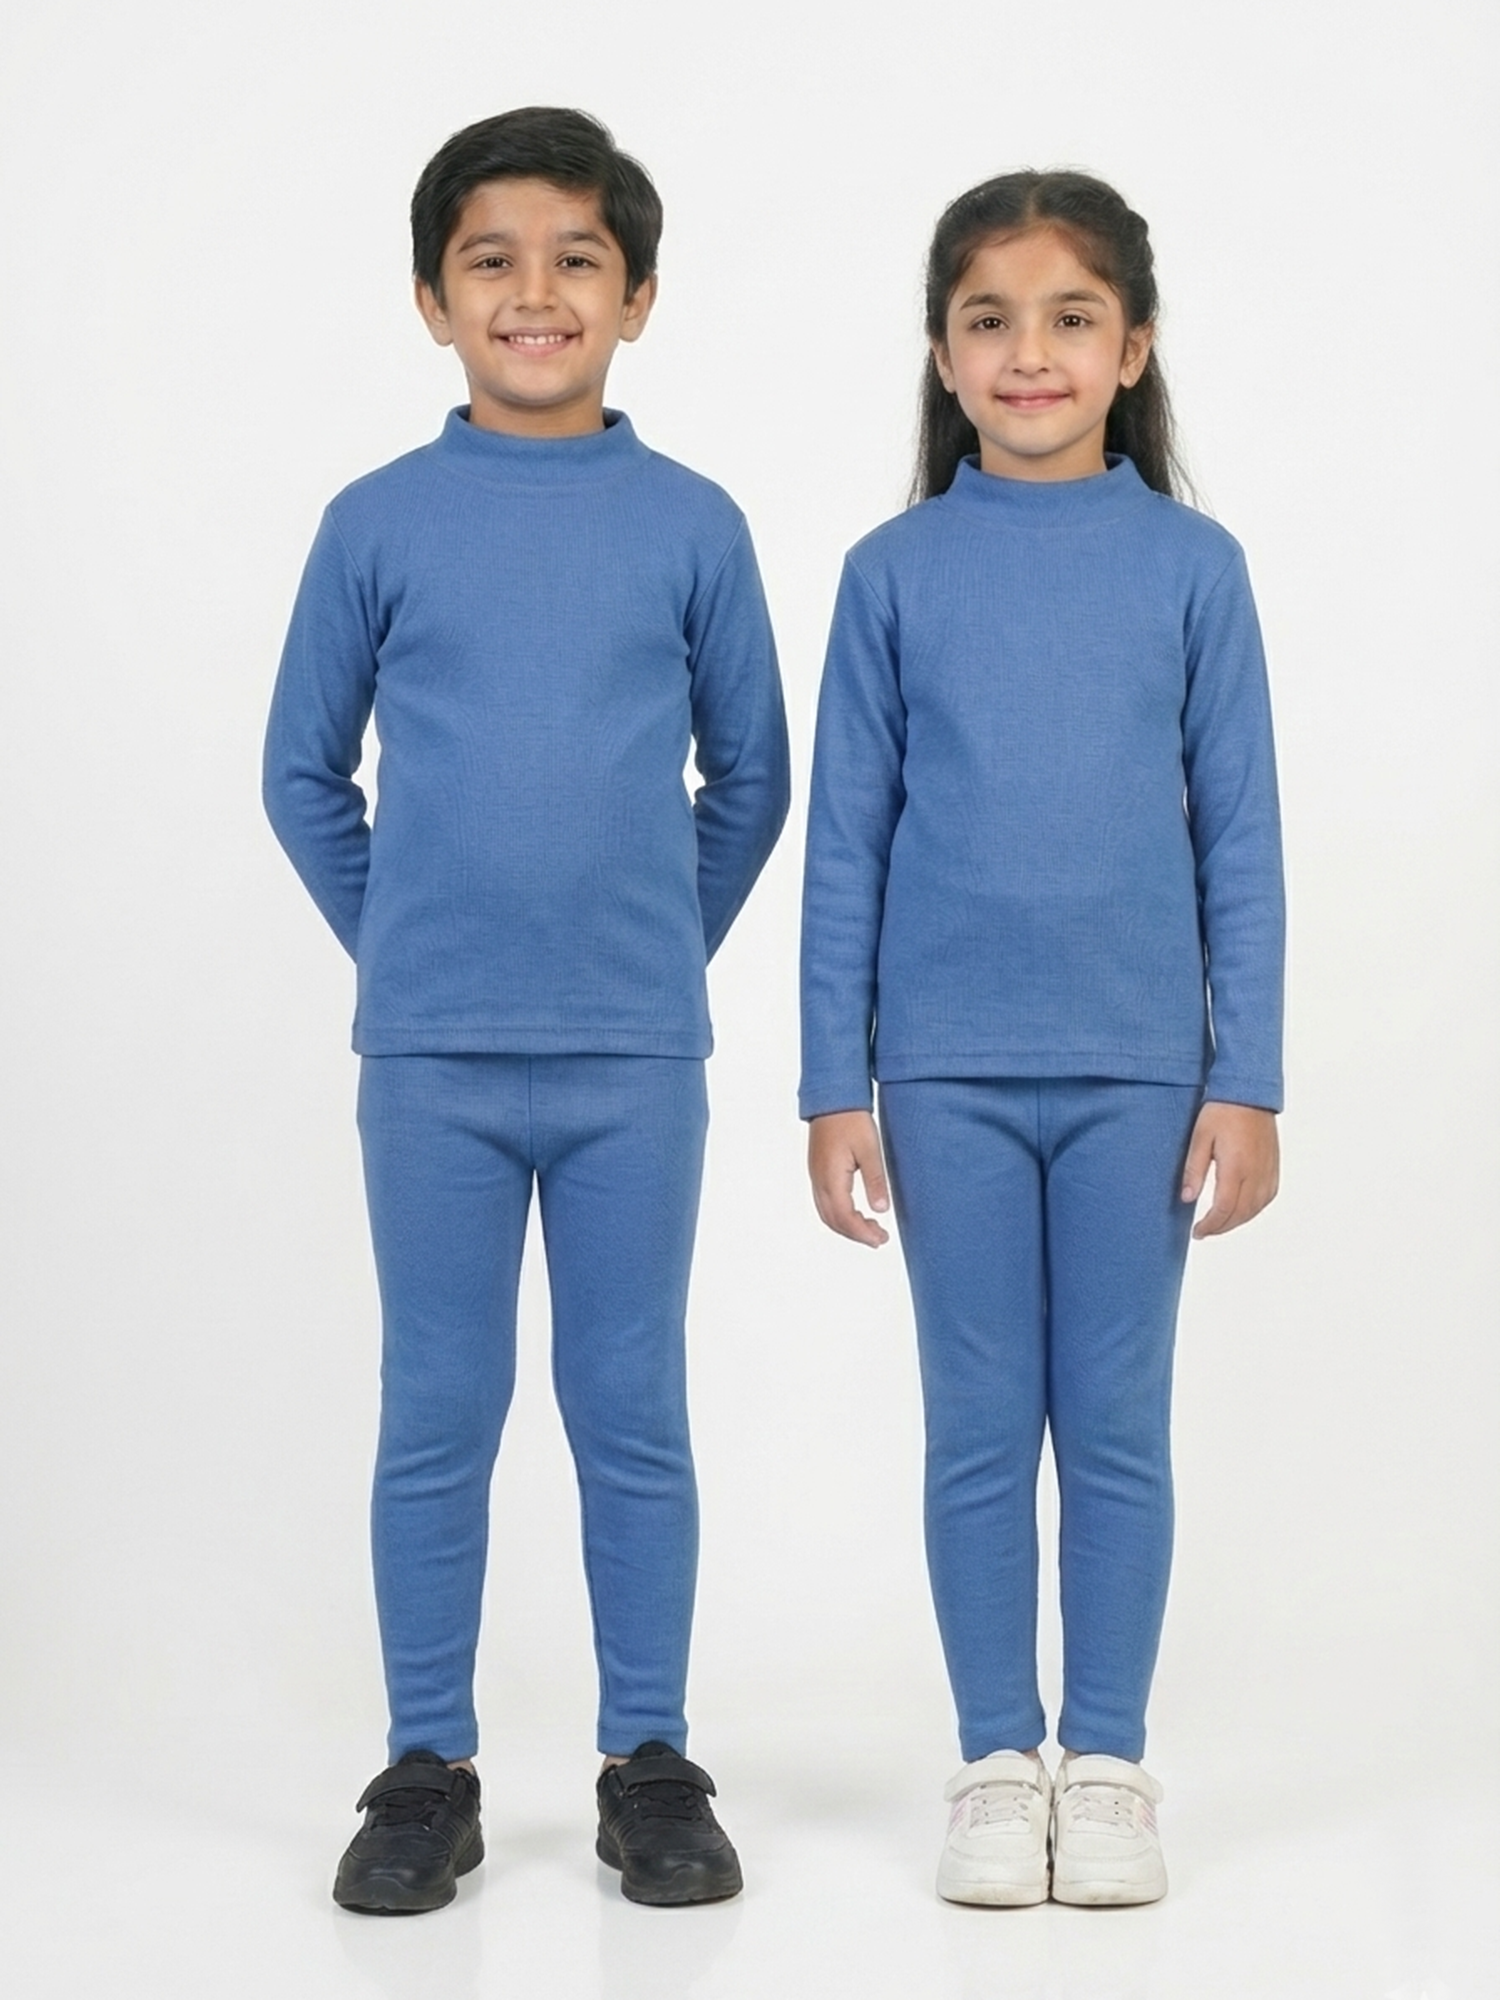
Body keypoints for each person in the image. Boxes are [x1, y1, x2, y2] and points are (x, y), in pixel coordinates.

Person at [263, 106, 789, 1915]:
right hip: (433, 1064)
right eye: (491, 259)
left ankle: (651, 1760)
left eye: (578, 259)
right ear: (433, 299)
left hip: (637, 1060)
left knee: (631, 1403)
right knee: (439, 1405)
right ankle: (429, 1766)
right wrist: (408, 949)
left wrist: (652, 954)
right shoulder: (375, 523)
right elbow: (303, 775)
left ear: (637, 297)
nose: (535, 291)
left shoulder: (694, 524)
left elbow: (752, 779)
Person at [800, 169, 1284, 1907]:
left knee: (1119, 1424)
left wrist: (1246, 1077)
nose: (1029, 353)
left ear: (1132, 346)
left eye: (1071, 317)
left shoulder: (1194, 569)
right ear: (941, 355)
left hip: (1143, 1073)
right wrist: (833, 1085)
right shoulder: (891, 575)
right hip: (943, 1075)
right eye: (989, 320)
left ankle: (1115, 1762)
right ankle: (999, 1762)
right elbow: (845, 841)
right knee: (980, 1425)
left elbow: (1241, 838)